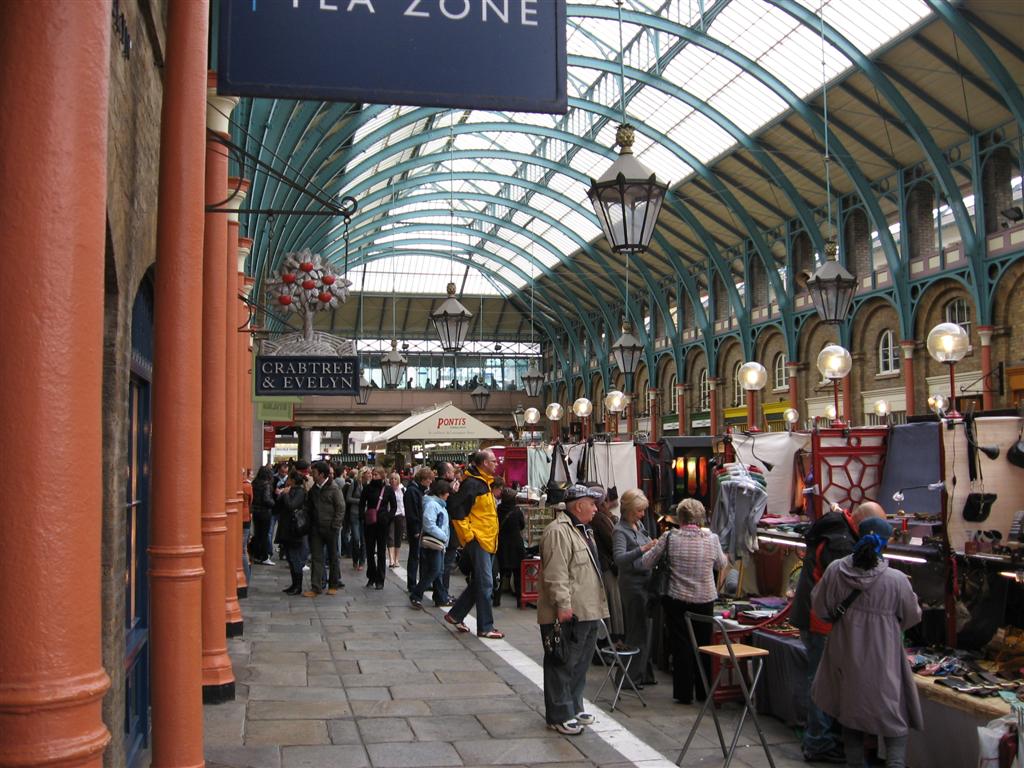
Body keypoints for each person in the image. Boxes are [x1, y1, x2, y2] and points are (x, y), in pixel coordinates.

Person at [811, 517, 922, 768]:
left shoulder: (836, 571)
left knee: (851, 717)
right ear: (885, 545)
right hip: (884, 659)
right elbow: (912, 615)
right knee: (894, 721)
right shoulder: (896, 580)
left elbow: (820, 608)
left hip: (845, 655)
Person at [792, 500, 887, 764]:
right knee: (821, 680)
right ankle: (818, 741)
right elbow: (846, 583)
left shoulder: (835, 529)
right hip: (820, 620)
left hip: (816, 615)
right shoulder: (841, 542)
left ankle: (819, 737)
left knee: (820, 678)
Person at [638, 499, 727, 704]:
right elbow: (721, 563)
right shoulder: (712, 539)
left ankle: (684, 693)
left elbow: (647, 562)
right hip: (705, 599)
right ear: (701, 518)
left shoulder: (670, 538)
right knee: (704, 645)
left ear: (680, 517)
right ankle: (704, 691)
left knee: (681, 645)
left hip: (676, 598)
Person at [537, 484, 609, 736]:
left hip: (588, 609)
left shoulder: (583, 530)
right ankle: (559, 713)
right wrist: (563, 606)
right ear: (579, 505)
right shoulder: (558, 532)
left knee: (579, 664)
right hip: (571, 612)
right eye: (592, 503)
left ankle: (574, 706)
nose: (596, 508)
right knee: (562, 663)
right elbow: (556, 573)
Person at [443, 449, 504, 639]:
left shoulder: (484, 483)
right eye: (493, 461)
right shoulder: (472, 484)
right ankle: (485, 626)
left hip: (487, 540)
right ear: (484, 463)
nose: (496, 463)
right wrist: (468, 537)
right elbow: (457, 510)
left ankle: (456, 614)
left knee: (481, 581)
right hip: (479, 540)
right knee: (486, 583)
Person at [612, 488, 657, 687]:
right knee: (636, 632)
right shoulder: (620, 531)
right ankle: (629, 677)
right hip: (632, 585)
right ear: (629, 510)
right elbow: (619, 559)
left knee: (644, 631)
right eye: (639, 510)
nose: (643, 514)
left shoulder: (638, 525)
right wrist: (644, 549)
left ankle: (643, 673)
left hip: (644, 582)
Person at [303, 460, 345, 597]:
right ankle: (316, 587)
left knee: (333, 557)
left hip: (331, 528)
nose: (311, 475)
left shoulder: (334, 488)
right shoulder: (314, 490)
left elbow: (340, 508)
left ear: (321, 474)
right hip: (316, 529)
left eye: (314, 473)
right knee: (316, 558)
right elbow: (308, 507)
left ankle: (333, 584)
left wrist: (335, 525)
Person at [589, 485, 624, 645]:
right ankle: (610, 641)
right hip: (607, 568)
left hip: (604, 566)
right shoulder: (600, 519)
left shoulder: (600, 517)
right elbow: (612, 543)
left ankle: (608, 640)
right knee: (611, 605)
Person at [409, 479, 451, 609]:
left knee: (438, 571)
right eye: (447, 492)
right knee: (435, 570)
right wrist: (443, 536)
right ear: (441, 492)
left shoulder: (438, 504)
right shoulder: (433, 505)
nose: (448, 495)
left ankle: (441, 597)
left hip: (438, 543)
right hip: (434, 542)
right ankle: (416, 593)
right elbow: (429, 523)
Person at [360, 467, 396, 590]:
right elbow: (361, 504)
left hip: (382, 524)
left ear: (381, 476)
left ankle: (380, 579)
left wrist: (388, 518)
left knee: (381, 551)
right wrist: (363, 517)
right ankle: (371, 575)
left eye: (376, 475)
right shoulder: (367, 488)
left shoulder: (388, 489)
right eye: (372, 474)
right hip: (370, 523)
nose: (373, 477)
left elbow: (394, 507)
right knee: (369, 551)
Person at [273, 471, 308, 595]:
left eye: (289, 478)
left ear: (293, 480)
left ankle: (298, 586)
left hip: (294, 529)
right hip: (286, 527)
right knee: (289, 557)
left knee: (294, 557)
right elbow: (278, 506)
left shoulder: (299, 492)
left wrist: (285, 495)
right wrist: (280, 494)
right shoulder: (290, 490)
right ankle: (294, 584)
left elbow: (291, 506)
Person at [494, 479, 525, 606]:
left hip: (502, 544)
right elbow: (522, 525)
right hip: (516, 545)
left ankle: (497, 599)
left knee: (501, 574)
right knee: (517, 574)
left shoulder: (498, 509)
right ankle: (519, 600)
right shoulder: (517, 511)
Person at [404, 466, 432, 591]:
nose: (430, 482)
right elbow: (412, 512)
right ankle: (412, 583)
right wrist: (415, 529)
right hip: (416, 529)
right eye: (429, 480)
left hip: (420, 528)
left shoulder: (418, 491)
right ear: (423, 479)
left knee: (421, 556)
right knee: (415, 555)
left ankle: (421, 582)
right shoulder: (412, 491)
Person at [250, 466, 276, 565]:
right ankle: (264, 556)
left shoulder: (255, 483)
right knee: (264, 535)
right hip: (265, 512)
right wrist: (273, 502)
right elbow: (266, 499)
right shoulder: (267, 485)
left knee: (258, 533)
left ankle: (256, 554)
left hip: (256, 511)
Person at [346, 468, 369, 572]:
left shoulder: (368, 485)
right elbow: (348, 498)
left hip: (365, 515)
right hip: (355, 514)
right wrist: (360, 501)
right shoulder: (354, 484)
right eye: (367, 473)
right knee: (356, 538)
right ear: (362, 474)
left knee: (364, 540)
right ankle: (355, 559)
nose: (369, 475)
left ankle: (362, 561)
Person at [387, 472, 406, 568]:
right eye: (392, 478)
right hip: (390, 515)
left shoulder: (402, 489)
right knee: (390, 537)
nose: (393, 480)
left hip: (400, 515)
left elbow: (405, 502)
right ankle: (391, 559)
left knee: (398, 537)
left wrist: (404, 514)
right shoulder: (387, 490)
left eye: (395, 479)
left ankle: (396, 559)